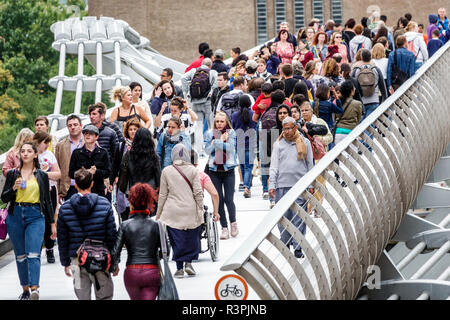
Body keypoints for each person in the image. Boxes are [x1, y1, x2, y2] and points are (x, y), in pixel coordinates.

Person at [1, 142, 56, 300]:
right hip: (15, 215)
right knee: (21, 255)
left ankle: (34, 289)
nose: (25, 154)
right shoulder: (12, 174)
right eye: (22, 151)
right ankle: (25, 289)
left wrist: (52, 223)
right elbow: (4, 198)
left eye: (29, 151)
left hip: (35, 215)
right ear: (19, 155)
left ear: (35, 154)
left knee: (33, 254)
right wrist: (13, 189)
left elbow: (47, 201)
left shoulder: (42, 175)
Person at [57, 167, 117, 300]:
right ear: (92, 183)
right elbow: (111, 235)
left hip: (76, 259)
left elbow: (62, 238)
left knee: (81, 294)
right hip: (101, 257)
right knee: (105, 295)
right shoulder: (104, 204)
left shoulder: (65, 208)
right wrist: (114, 262)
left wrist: (65, 262)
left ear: (75, 185)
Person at [156, 144, 204, 278]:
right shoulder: (193, 170)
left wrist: (159, 213)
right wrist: (200, 208)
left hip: (173, 211)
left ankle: (179, 268)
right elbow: (198, 192)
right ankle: (188, 263)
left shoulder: (166, 171)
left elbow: (163, 194)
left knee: (177, 240)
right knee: (191, 238)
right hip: (190, 209)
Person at [269, 116, 313, 258]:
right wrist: (272, 185)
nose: (287, 131)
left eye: (289, 128)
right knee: (284, 218)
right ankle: (285, 242)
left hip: (300, 186)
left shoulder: (304, 142)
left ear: (295, 127)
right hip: (282, 185)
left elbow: (310, 165)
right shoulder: (278, 145)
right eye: (285, 129)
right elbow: (274, 166)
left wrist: (311, 184)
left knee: (299, 218)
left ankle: (298, 246)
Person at [111, 183, 160, 300]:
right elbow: (166, 251)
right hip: (151, 272)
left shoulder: (125, 225)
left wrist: (114, 266)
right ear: (149, 201)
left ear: (131, 202)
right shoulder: (156, 225)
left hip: (131, 272)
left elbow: (115, 250)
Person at [204, 111, 238, 240]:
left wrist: (216, 143)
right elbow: (207, 150)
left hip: (228, 169)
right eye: (217, 121)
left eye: (221, 121)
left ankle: (233, 223)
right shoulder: (209, 133)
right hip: (214, 171)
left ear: (226, 122)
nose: (219, 124)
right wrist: (219, 140)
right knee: (219, 200)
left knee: (229, 199)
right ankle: (224, 228)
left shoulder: (231, 133)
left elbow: (230, 148)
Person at [119, 127, 161, 219]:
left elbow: (123, 175)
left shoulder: (128, 155)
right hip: (151, 193)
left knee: (135, 217)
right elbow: (158, 178)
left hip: (134, 192)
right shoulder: (154, 156)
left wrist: (125, 191)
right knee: (150, 219)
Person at [33, 131, 61, 264]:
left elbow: (58, 174)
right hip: (34, 191)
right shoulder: (30, 155)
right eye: (45, 142)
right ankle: (36, 248)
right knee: (37, 218)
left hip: (49, 189)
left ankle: (49, 247)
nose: (47, 145)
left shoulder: (49, 155)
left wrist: (44, 174)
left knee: (50, 218)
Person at [181, 58, 218, 156]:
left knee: (198, 127)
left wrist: (188, 91)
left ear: (201, 64)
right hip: (207, 102)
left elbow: (183, 78)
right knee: (211, 126)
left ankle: (200, 152)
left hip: (195, 102)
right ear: (211, 65)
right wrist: (211, 93)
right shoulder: (213, 72)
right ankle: (211, 150)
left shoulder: (194, 71)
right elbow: (216, 85)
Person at [69, 124, 111, 197]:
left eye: (91, 134)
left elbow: (108, 172)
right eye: (85, 133)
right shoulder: (76, 153)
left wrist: (96, 172)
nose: (87, 135)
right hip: (81, 191)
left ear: (96, 137)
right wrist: (85, 172)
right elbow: (71, 173)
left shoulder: (103, 152)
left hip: (99, 191)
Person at [113, 118, 142, 221]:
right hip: (123, 183)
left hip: (138, 184)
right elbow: (115, 164)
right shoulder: (122, 146)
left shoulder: (143, 146)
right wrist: (114, 178)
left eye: (135, 129)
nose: (133, 131)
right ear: (127, 131)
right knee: (124, 214)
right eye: (131, 129)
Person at [88, 103, 119, 200]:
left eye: (94, 114)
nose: (91, 117)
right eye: (90, 114)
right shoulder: (85, 132)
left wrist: (114, 176)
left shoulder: (110, 132)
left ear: (102, 116)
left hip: (105, 176)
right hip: (88, 177)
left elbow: (116, 156)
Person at [232, 95, 257, 198]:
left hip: (239, 143)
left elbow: (233, 127)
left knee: (242, 165)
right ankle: (247, 187)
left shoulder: (234, 115)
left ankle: (244, 184)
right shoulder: (253, 114)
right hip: (250, 143)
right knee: (248, 166)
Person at [351, 49, 387, 120]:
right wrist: (383, 102)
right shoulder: (376, 70)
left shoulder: (356, 71)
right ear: (371, 57)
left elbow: (351, 87)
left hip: (360, 102)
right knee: (371, 127)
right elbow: (383, 88)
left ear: (361, 57)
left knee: (361, 126)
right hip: (374, 101)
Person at [55, 115, 84, 203]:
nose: (73, 127)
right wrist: (59, 191)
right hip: (68, 188)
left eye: (75, 125)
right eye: (70, 125)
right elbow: (57, 168)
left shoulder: (89, 142)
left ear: (81, 126)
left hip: (86, 186)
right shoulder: (60, 145)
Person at [190, 150, 220, 221]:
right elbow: (214, 194)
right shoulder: (202, 176)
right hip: (195, 212)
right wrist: (216, 212)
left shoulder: (174, 175)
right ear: (196, 163)